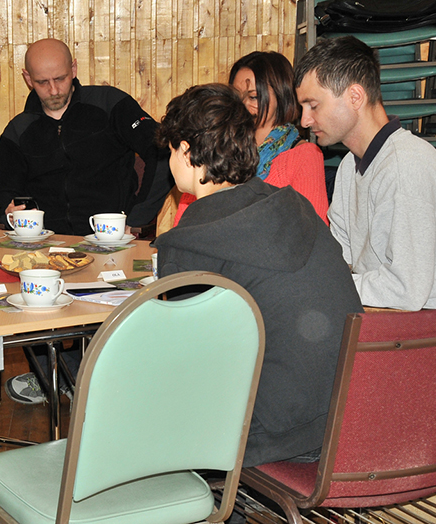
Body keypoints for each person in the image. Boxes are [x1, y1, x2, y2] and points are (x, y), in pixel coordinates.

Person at [153, 83, 363, 467]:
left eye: (170, 151)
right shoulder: (294, 205)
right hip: (345, 418)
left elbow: (187, 362)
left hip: (270, 434)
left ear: (185, 151)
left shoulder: (191, 240)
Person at [294, 36, 436, 311]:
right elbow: (340, 258)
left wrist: (323, 285)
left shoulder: (407, 166)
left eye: (313, 105)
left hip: (435, 325)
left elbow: (406, 290)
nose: (305, 120)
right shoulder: (349, 165)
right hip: (388, 316)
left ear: (355, 97)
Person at [0, 38, 172, 235]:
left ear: (74, 69)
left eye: (60, 79)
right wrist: (7, 212)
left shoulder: (111, 104)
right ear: (28, 78)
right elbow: (0, 197)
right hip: (44, 241)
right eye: (42, 82)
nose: (53, 90)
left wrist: (137, 218)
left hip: (109, 237)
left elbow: (163, 151)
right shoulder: (18, 130)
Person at [175, 51, 329, 226]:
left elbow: (314, 229)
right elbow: (183, 220)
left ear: (282, 96)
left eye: (253, 97)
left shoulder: (304, 155)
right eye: (236, 97)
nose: (243, 105)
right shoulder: (218, 146)